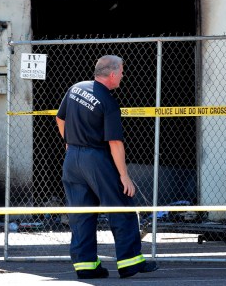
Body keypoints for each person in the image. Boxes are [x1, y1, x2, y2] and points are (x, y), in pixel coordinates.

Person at [56, 55, 159, 279]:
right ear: (112, 74)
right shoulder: (108, 102)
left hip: (72, 159)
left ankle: (85, 266)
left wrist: (70, 144)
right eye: (122, 71)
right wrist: (124, 176)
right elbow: (115, 142)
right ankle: (130, 262)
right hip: (96, 159)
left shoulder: (76, 88)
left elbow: (60, 118)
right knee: (120, 205)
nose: (124, 75)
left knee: (81, 213)